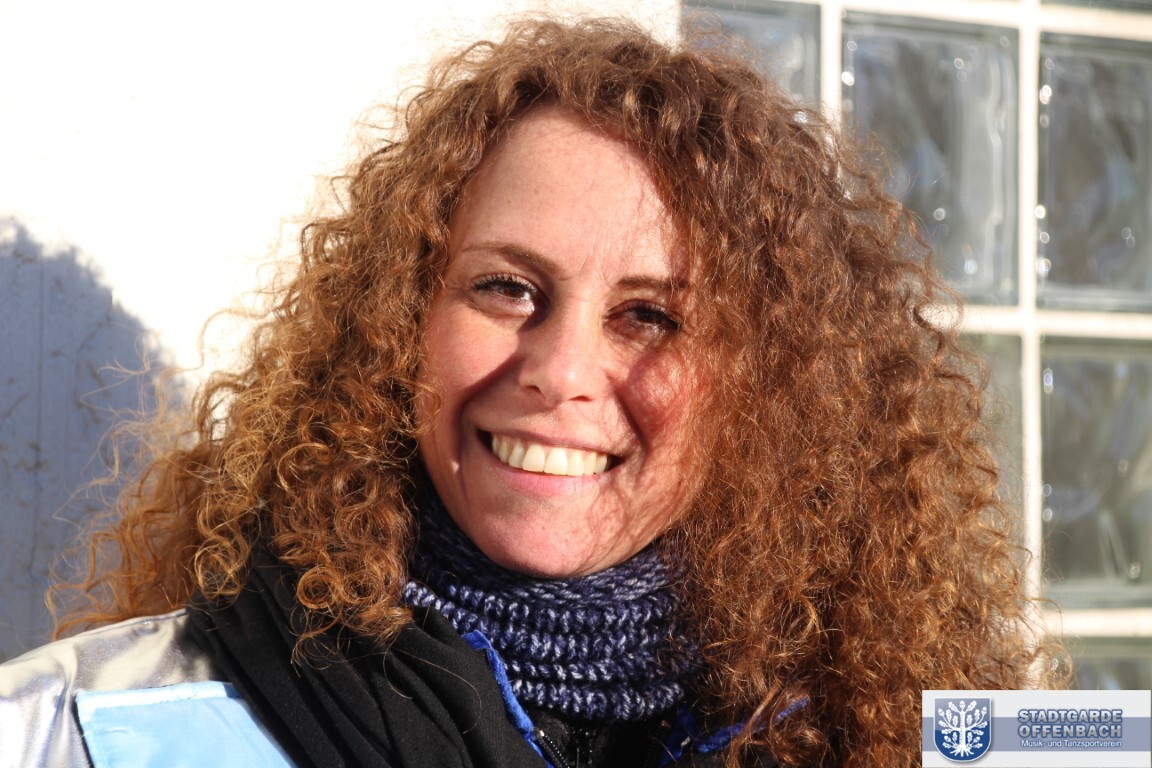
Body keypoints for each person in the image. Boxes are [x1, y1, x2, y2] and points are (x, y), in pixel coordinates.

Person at [0, 16, 1057, 768]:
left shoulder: (926, 735)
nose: (558, 371)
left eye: (651, 316)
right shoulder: (75, 729)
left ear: (769, 389)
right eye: (507, 288)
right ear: (400, 320)